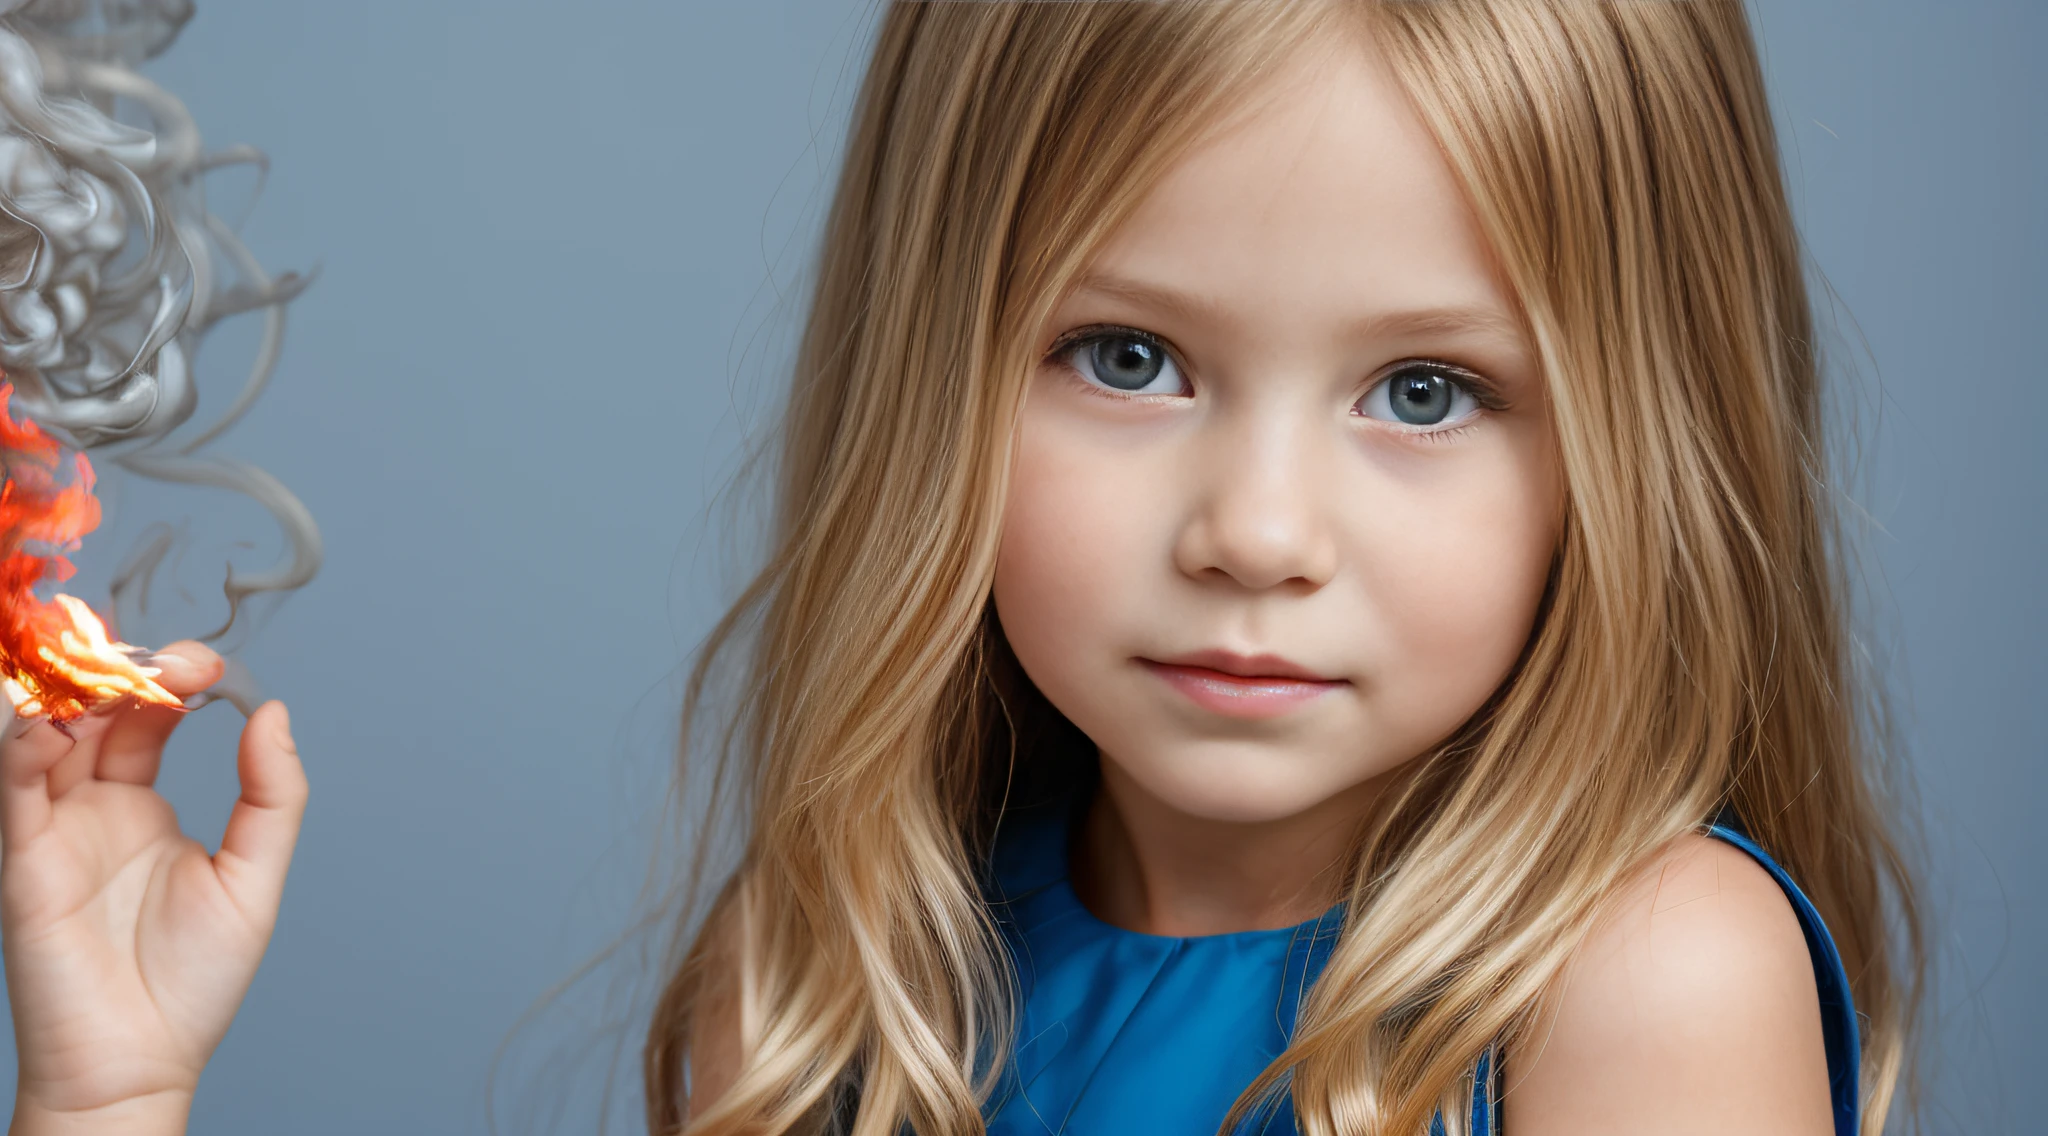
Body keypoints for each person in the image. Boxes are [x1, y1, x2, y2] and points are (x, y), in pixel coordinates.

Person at [1, 3, 1919, 1134]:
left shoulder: (1636, 982)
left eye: (1426, 389)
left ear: (1634, 441)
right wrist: (106, 1100)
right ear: (940, 371)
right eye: (1128, 359)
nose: (1256, 533)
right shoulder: (820, 994)